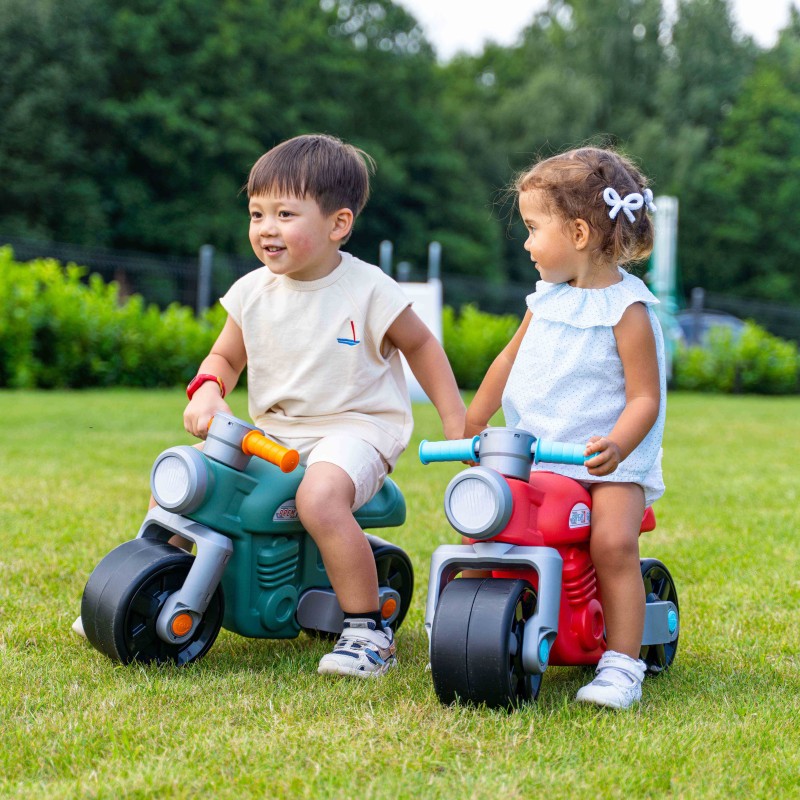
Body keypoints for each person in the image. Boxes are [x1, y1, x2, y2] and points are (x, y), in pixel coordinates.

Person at [74, 134, 466, 678]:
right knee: (189, 477)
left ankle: (366, 630)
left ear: (338, 224)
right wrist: (208, 388)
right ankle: (138, 580)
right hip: (277, 433)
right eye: (257, 213)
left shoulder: (369, 289)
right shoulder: (252, 291)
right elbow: (224, 358)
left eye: (285, 213)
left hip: (356, 430)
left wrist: (456, 424)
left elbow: (422, 346)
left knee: (321, 499)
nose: (266, 228)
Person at [464, 146, 666, 709]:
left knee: (613, 543)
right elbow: (507, 360)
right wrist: (475, 420)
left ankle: (622, 665)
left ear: (578, 232)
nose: (526, 243)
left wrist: (618, 444)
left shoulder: (629, 309)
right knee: (489, 522)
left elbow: (644, 396)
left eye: (533, 228)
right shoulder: (545, 299)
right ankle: (477, 619)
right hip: (534, 453)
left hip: (606, 462)